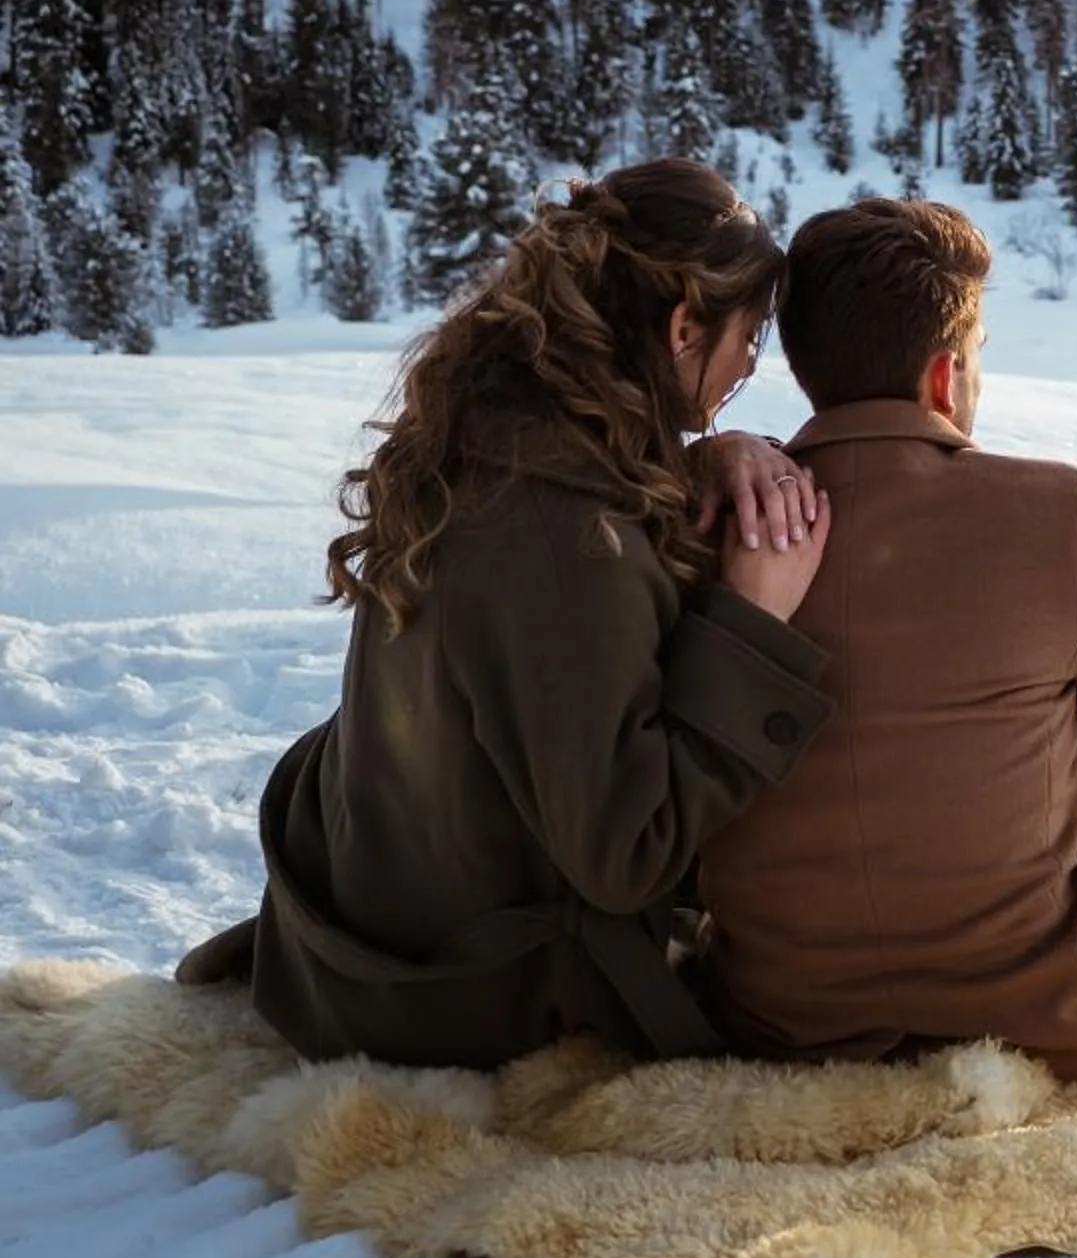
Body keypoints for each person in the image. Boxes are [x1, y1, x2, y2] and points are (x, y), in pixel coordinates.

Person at [176, 159, 838, 1069]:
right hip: (452, 997)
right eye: (749, 341)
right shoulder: (566, 535)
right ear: (685, 326)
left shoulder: (506, 429)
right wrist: (751, 625)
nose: (749, 368)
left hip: (371, 895)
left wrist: (720, 449)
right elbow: (625, 855)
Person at [696, 196, 1077, 1075]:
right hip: (1058, 995)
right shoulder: (1058, 512)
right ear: (945, 378)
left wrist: (713, 452)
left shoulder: (714, 515)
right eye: (978, 361)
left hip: (781, 1007)